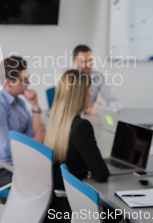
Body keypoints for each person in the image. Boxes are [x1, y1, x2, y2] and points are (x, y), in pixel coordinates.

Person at [44, 69, 109, 222]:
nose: (91, 95)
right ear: (81, 95)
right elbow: (101, 175)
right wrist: (90, 167)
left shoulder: (56, 121)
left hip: (55, 204)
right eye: (90, 90)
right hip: (74, 207)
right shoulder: (81, 126)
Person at [0, 56, 46, 189]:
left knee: (58, 171)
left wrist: (35, 105)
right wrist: (36, 141)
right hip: (5, 169)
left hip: (23, 161)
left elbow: (34, 132)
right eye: (24, 80)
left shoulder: (19, 102)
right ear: (9, 82)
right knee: (47, 185)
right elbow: (6, 149)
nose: (28, 83)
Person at [72, 45, 121, 115]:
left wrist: (105, 109)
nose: (89, 64)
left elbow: (116, 103)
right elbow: (61, 105)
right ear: (74, 61)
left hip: (91, 119)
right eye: (84, 61)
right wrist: (88, 110)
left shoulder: (98, 77)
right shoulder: (66, 77)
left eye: (90, 60)